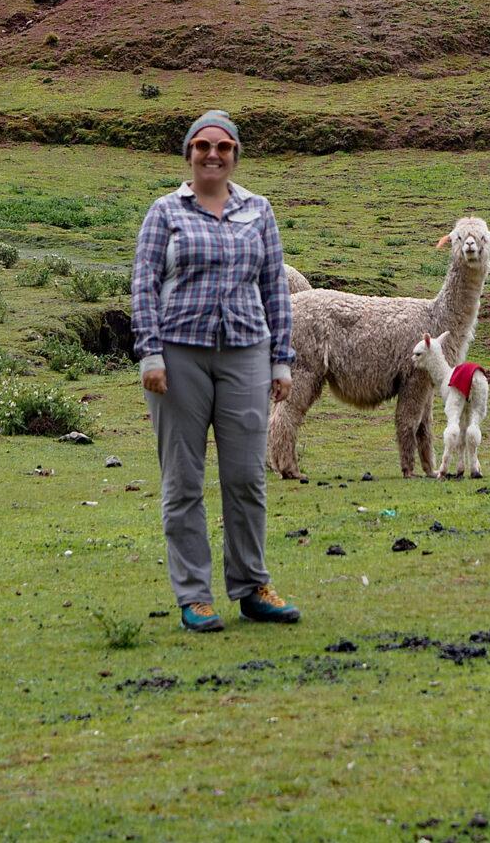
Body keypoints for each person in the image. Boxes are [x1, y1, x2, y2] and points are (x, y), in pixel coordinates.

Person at [131, 110, 300, 632]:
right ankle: (194, 596)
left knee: (246, 476)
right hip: (179, 358)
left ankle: (252, 587)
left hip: (247, 352)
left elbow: (275, 287)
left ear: (235, 155)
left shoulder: (259, 212)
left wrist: (282, 359)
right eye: (203, 146)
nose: (212, 154)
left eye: (223, 147)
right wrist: (151, 354)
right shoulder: (165, 213)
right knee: (183, 478)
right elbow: (143, 283)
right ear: (189, 154)